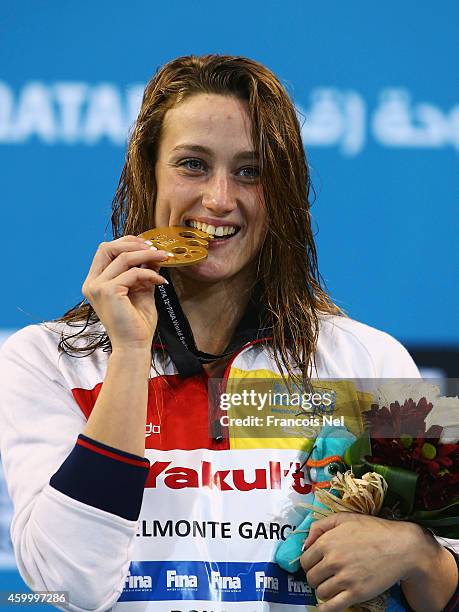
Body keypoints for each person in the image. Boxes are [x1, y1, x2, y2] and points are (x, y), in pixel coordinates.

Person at [0, 54, 457, 612]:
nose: (219, 199)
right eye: (193, 164)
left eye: (250, 171)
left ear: (284, 191)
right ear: (147, 172)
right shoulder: (44, 359)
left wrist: (417, 551)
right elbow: (70, 586)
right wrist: (129, 353)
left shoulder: (372, 359)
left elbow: (446, 576)